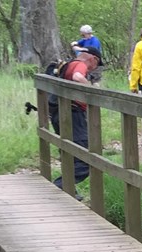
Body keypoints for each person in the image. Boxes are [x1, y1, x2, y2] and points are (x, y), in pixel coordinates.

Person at [46, 51, 103, 194]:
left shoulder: (67, 65)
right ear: (93, 59)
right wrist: (91, 88)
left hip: (59, 114)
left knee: (70, 154)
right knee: (86, 158)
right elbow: (77, 77)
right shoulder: (80, 65)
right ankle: (60, 185)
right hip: (73, 115)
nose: (94, 68)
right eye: (96, 64)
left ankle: (69, 190)